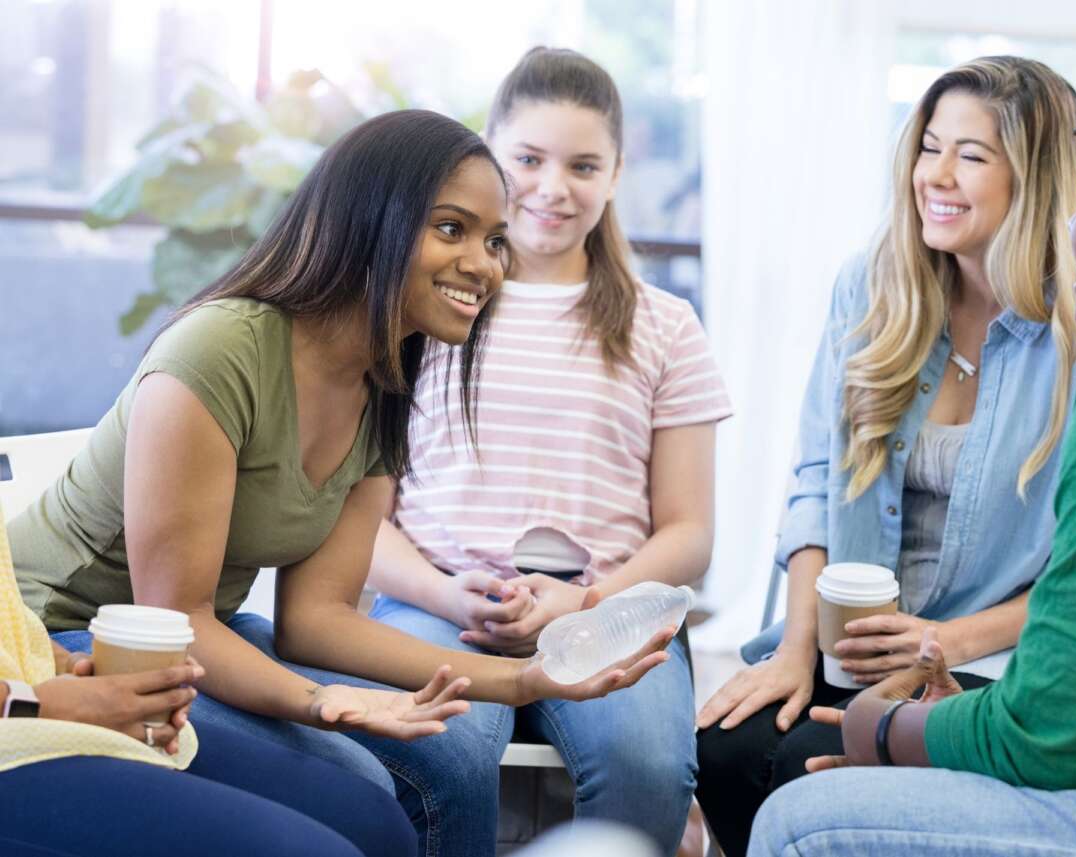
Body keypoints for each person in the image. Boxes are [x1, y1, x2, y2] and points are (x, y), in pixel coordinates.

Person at [10, 109, 671, 853]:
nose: (485, 264)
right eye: (451, 229)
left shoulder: (383, 379)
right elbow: (180, 617)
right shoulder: (220, 350)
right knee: (363, 801)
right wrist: (326, 700)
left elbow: (316, 617)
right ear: (370, 222)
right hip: (62, 643)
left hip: (196, 635)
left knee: (450, 757)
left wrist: (524, 681)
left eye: (493, 240)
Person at [749, 60, 1076, 857]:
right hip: (870, 643)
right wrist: (799, 647)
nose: (939, 175)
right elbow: (814, 482)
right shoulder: (872, 286)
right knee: (738, 744)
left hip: (1010, 665)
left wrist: (887, 721)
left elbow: (1057, 713)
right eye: (929, 147)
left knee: (796, 796)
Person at [366, 47, 731, 856]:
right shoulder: (421, 308)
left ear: (617, 172)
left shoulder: (664, 325)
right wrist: (445, 592)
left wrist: (588, 602)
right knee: (437, 749)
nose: (551, 188)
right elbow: (364, 523)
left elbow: (688, 534)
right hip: (439, 600)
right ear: (487, 154)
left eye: (583, 165)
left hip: (605, 609)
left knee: (645, 762)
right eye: (527, 159)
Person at [0, 496, 415, 857]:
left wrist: (64, 664)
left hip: (38, 693)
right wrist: (39, 703)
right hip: (19, 724)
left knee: (376, 822)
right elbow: (191, 609)